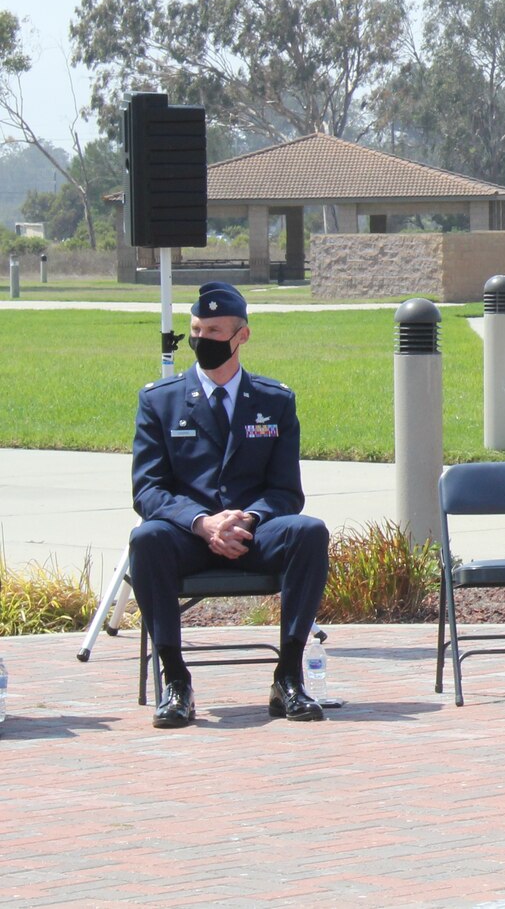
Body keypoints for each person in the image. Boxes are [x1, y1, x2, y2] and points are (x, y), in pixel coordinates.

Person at [128, 281, 330, 728]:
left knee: (308, 531)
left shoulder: (274, 401)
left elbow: (285, 491)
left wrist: (248, 517)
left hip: (252, 532)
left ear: (242, 336)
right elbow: (149, 490)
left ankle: (288, 677)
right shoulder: (159, 401)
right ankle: (176, 681)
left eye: (216, 331)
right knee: (146, 539)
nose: (202, 340)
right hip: (187, 536)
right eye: (197, 329)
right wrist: (202, 522)